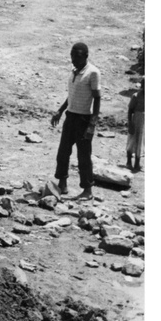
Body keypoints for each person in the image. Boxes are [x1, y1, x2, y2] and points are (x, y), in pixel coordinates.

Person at [49, 41, 100, 201]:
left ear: (86, 56)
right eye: (72, 56)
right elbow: (72, 94)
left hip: (84, 119)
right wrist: (60, 110)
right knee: (63, 151)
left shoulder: (93, 73)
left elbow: (97, 98)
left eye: (76, 57)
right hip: (70, 116)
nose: (73, 60)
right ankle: (62, 183)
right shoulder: (74, 71)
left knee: (84, 156)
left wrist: (92, 124)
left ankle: (87, 190)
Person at [126, 78, 144, 172]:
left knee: (141, 141)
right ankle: (129, 161)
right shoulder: (136, 96)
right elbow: (130, 110)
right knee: (132, 140)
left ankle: (137, 163)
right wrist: (130, 123)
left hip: (145, 121)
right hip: (136, 119)